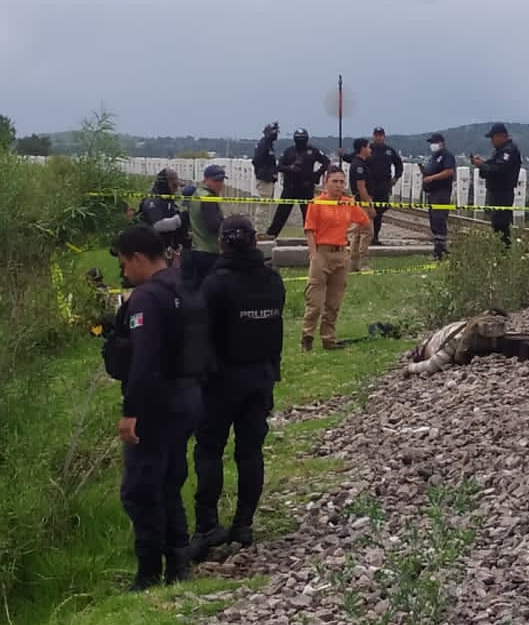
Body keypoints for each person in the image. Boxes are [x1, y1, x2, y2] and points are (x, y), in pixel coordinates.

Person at [103, 225, 205, 590]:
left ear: (138, 258)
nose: (124, 273)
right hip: (189, 396)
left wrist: (131, 412)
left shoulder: (146, 298)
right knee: (169, 481)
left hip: (156, 403)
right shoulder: (186, 285)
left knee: (140, 489)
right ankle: (178, 563)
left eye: (124, 264)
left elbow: (144, 360)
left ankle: (148, 573)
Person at [188, 215, 285, 559]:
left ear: (222, 243)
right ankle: (243, 524)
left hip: (220, 383)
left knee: (209, 452)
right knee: (249, 453)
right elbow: (275, 333)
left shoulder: (215, 284)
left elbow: (200, 338)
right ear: (255, 242)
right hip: (261, 379)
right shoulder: (273, 281)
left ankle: (207, 525)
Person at [300, 166, 371, 351]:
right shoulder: (317, 203)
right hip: (322, 253)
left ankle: (328, 338)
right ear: (326, 183)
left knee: (334, 301)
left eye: (341, 182)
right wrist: (313, 254)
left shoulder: (348, 203)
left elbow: (365, 222)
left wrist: (351, 231)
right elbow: (309, 229)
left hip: (341, 253)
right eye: (335, 181)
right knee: (315, 300)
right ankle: (307, 335)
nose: (339, 185)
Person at [265, 129, 331, 238]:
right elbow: (279, 166)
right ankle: (272, 234)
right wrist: (290, 168)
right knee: (282, 212)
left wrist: (317, 174)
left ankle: (312, 236)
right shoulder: (288, 151)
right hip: (290, 187)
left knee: (308, 214)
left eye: (303, 139)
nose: (301, 142)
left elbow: (326, 162)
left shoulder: (313, 151)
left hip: (306, 186)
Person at [470, 122, 522, 244]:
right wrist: (482, 164)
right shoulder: (499, 151)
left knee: (501, 225)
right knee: (497, 225)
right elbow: (490, 167)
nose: (491, 141)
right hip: (495, 192)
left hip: (503, 193)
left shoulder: (508, 151)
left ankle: (505, 252)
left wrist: (482, 165)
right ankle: (501, 251)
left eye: (493, 138)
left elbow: (498, 170)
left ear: (501, 136)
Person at [182, 164, 226, 287]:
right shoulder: (208, 197)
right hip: (209, 251)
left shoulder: (198, 193)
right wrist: (228, 225)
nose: (219, 184)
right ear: (205, 180)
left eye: (221, 180)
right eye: (216, 180)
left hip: (198, 248)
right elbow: (213, 225)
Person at [420, 132, 457, 259]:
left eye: (434, 143)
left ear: (441, 143)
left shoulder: (447, 156)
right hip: (432, 192)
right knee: (433, 221)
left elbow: (449, 171)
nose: (432, 145)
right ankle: (438, 249)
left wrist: (431, 178)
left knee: (439, 220)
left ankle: (440, 251)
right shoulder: (434, 157)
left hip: (441, 192)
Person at [366, 126, 404, 245]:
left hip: (383, 185)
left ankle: (375, 236)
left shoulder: (389, 151)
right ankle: (366, 236)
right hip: (370, 185)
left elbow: (399, 165)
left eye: (380, 135)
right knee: (367, 212)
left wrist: (396, 178)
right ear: (373, 136)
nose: (378, 137)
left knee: (379, 212)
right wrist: (343, 155)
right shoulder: (369, 149)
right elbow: (355, 158)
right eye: (376, 135)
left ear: (384, 136)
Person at [137, 168, 185, 263]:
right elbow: (158, 225)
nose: (176, 189)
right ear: (164, 183)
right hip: (153, 251)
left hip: (166, 248)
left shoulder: (166, 199)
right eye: (174, 186)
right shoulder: (153, 200)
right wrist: (181, 219)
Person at [348, 138, 374, 271]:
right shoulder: (359, 165)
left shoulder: (359, 163)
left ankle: (353, 264)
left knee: (357, 234)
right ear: (363, 148)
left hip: (358, 201)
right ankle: (363, 264)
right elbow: (361, 187)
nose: (370, 150)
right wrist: (369, 206)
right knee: (366, 233)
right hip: (362, 202)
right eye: (368, 147)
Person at [252, 122, 281, 235]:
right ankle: (259, 230)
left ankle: (261, 229)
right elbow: (257, 161)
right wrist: (266, 174)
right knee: (263, 205)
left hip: (268, 178)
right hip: (264, 178)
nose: (275, 134)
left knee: (266, 204)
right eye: (274, 132)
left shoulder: (268, 144)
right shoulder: (263, 144)